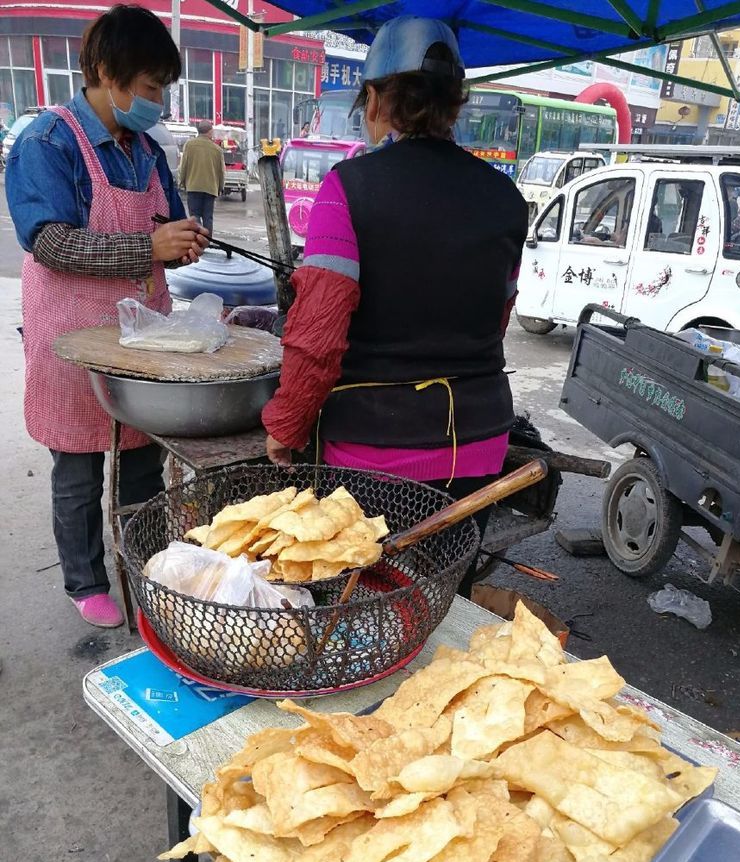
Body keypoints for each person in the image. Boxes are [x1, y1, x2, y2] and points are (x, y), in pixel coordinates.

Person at [262, 16, 528, 598]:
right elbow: (499, 316)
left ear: (377, 98)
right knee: (440, 597)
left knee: (365, 605)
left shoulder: (349, 187)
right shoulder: (507, 198)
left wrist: (286, 423)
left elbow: (319, 334)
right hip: (480, 444)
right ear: (454, 104)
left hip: (375, 456)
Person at [6, 4, 208, 629]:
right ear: (104, 71)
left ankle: (147, 567)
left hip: (144, 332)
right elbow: (50, 244)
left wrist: (180, 237)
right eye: (150, 87)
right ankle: (86, 578)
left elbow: (159, 223)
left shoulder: (144, 146)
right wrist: (147, 247)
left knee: (143, 455)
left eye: (162, 90)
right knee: (78, 463)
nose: (156, 102)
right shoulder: (47, 141)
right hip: (72, 335)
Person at [178, 119, 225, 236]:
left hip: (193, 186)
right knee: (208, 217)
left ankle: (197, 239)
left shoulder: (189, 145)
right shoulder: (217, 149)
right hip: (210, 188)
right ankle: (207, 240)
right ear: (209, 132)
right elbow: (221, 172)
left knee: (195, 216)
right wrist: (220, 187)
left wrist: (182, 182)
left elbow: (183, 166)